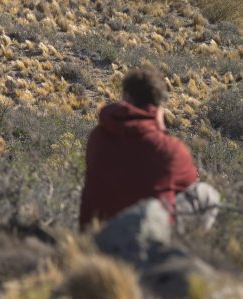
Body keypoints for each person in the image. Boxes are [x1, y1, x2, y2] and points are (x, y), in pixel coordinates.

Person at [80, 66, 219, 232]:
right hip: (144, 244)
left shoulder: (98, 136)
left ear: (126, 98)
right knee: (206, 194)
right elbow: (189, 182)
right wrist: (160, 130)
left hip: (95, 236)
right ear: (159, 105)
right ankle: (186, 250)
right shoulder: (169, 149)